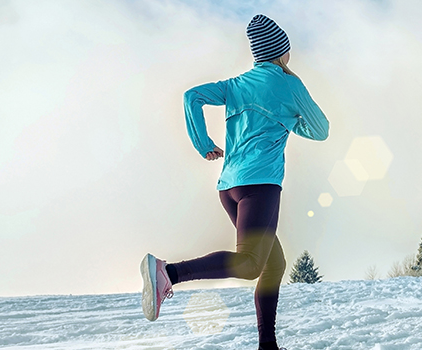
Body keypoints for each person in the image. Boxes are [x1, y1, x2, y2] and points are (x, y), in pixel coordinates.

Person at [140, 14, 329, 350]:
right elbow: (320, 129)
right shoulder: (289, 85)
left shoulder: (237, 84)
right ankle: (168, 272)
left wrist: (203, 144)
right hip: (261, 185)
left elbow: (191, 97)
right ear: (281, 52)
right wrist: (289, 120)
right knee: (251, 264)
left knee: (274, 263)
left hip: (229, 187)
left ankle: (267, 346)